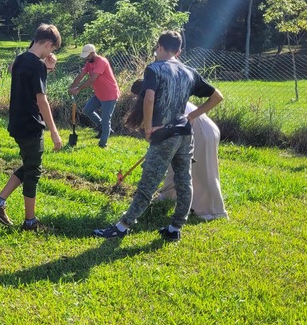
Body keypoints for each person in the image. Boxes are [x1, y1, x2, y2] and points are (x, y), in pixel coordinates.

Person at [94, 31, 223, 242]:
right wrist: (191, 116)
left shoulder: (155, 69)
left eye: (157, 48)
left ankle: (122, 227)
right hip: (184, 134)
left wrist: (147, 128)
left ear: (160, 47)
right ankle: (175, 228)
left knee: (149, 182)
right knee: (184, 181)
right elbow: (218, 96)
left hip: (164, 134)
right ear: (179, 50)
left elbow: (149, 98)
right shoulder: (190, 72)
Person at [0, 24, 62, 231]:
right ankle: (30, 222)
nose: (51, 53)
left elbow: (24, 78)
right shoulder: (36, 65)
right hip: (30, 124)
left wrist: (48, 68)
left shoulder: (19, 60)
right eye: (52, 49)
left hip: (17, 122)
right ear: (47, 43)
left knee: (29, 164)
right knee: (33, 171)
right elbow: (42, 100)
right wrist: (54, 132)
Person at [126, 81, 229, 221]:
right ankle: (169, 195)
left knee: (203, 171)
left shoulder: (162, 100)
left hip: (201, 131)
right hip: (190, 130)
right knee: (175, 164)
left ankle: (213, 212)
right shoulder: (163, 98)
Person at [69, 44, 120, 148]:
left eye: (87, 56)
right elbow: (80, 76)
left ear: (92, 53)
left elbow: (93, 79)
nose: (86, 58)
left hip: (110, 95)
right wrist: (72, 87)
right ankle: (103, 128)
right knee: (87, 110)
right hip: (99, 94)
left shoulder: (102, 61)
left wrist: (78, 89)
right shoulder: (89, 62)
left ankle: (103, 144)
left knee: (106, 119)